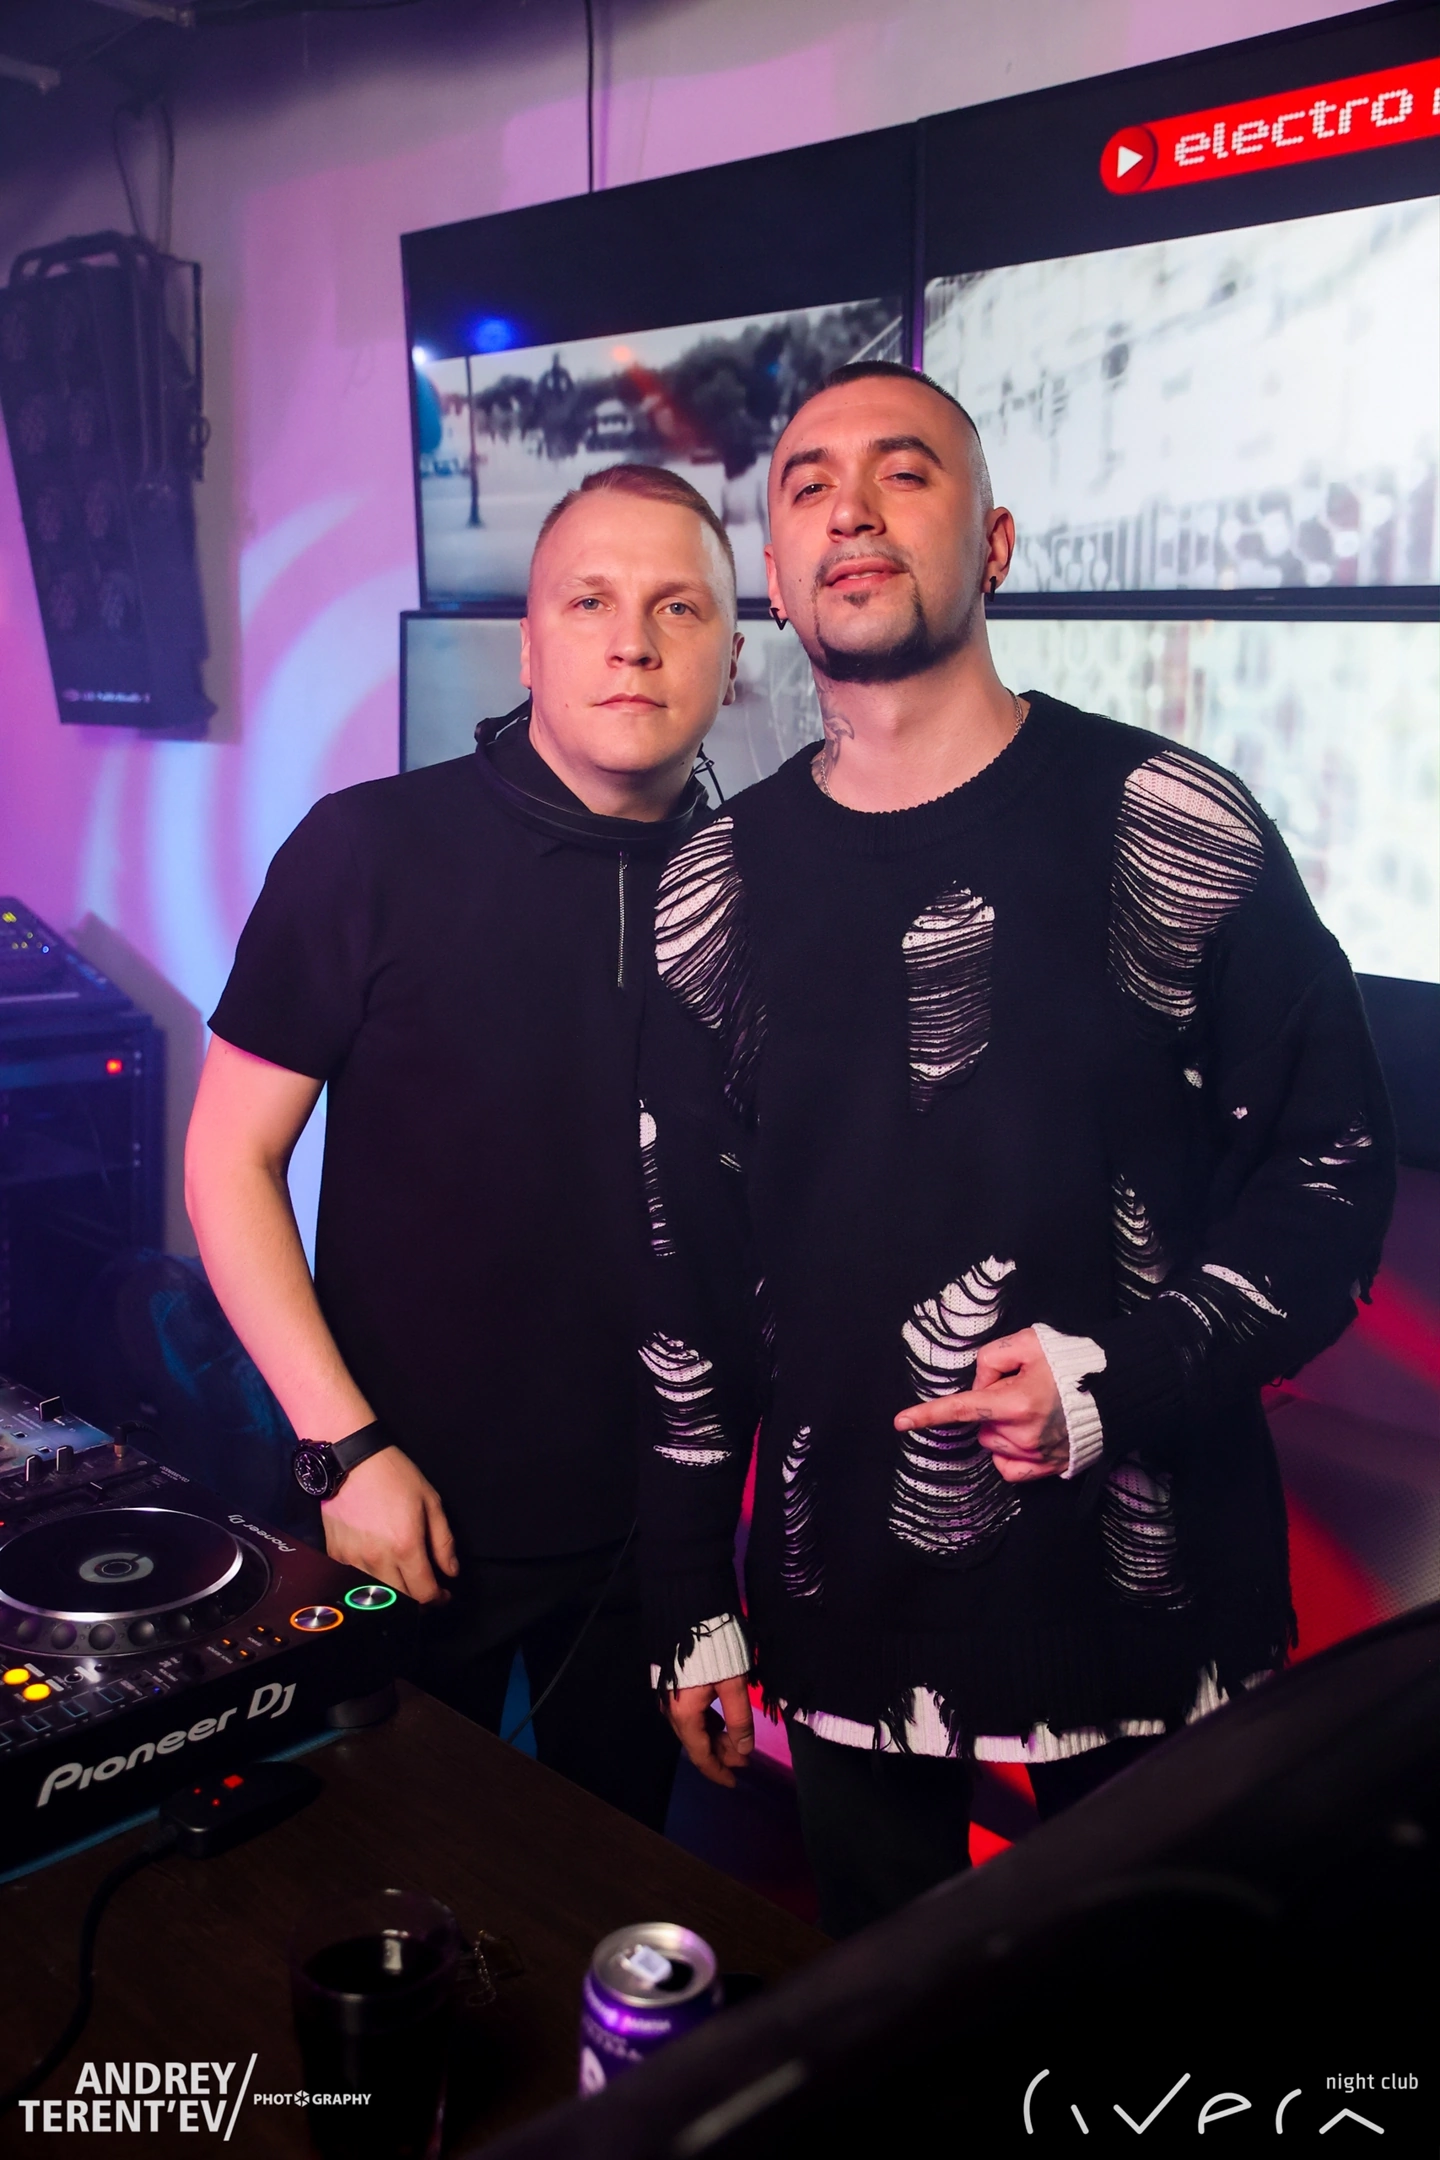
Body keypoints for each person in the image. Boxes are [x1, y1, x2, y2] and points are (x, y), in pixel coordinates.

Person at [637, 362, 1395, 1934]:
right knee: (903, 2039)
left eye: (904, 472)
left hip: (1157, 1615)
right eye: (809, 484)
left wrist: (1126, 1379)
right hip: (845, 1622)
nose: (852, 508)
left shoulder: (1172, 817)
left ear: (994, 543)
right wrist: (692, 1597)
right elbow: (686, 1274)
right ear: (775, 575)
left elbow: (1328, 1172)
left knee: (1162, 2030)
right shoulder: (715, 888)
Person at [185, 463, 741, 1830]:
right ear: (530, 644)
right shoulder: (367, 848)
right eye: (591, 601)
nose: (633, 641)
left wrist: (713, 1561)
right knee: (372, 1885)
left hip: (650, 1543)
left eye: (679, 607)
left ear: (734, 654)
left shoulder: (764, 887)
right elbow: (227, 1163)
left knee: (602, 1890)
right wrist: (343, 1450)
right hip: (392, 1502)